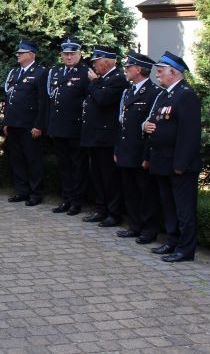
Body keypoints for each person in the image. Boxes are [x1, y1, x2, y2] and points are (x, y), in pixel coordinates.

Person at [143, 51, 201, 263]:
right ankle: (172, 241)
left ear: (173, 72)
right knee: (168, 206)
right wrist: (145, 126)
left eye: (160, 71)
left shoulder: (186, 95)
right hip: (162, 161)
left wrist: (181, 164)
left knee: (184, 209)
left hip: (178, 164)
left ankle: (185, 249)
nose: (157, 75)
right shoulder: (165, 95)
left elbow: (189, 134)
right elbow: (153, 121)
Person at [115, 51, 161, 244]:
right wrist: (117, 149)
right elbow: (121, 123)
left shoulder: (155, 93)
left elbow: (151, 128)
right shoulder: (128, 92)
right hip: (126, 149)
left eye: (129, 67)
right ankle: (135, 225)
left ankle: (149, 230)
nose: (126, 70)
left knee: (146, 192)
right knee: (130, 191)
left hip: (141, 151)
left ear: (139, 70)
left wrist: (147, 156)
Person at [80, 46, 129, 227]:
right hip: (94, 136)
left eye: (96, 61)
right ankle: (101, 209)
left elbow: (103, 99)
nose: (94, 65)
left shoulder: (118, 79)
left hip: (106, 137)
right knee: (97, 176)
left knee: (109, 178)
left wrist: (94, 82)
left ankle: (114, 213)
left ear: (107, 61)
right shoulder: (102, 79)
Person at [46, 37, 90, 216]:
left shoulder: (86, 73)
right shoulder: (56, 71)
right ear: (61, 55)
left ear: (79, 54)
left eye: (72, 53)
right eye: (66, 54)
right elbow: (51, 99)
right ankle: (66, 198)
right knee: (63, 166)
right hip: (58, 127)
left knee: (77, 166)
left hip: (75, 128)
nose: (69, 57)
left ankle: (76, 202)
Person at [3, 40, 48, 206]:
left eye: (21, 53)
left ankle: (36, 193)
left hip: (30, 125)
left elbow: (43, 102)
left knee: (33, 160)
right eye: (18, 52)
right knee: (17, 159)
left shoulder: (40, 72)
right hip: (14, 123)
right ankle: (22, 191)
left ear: (31, 54)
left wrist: (39, 125)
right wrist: (6, 121)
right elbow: (9, 98)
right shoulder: (15, 72)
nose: (18, 55)